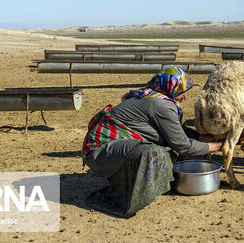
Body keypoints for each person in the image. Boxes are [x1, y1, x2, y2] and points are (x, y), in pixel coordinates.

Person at [81, 67, 222, 217]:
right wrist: (216, 146)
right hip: (100, 152)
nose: (185, 96)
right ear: (170, 88)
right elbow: (182, 145)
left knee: (163, 150)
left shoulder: (152, 97)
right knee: (150, 152)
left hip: (109, 150)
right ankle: (123, 192)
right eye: (182, 91)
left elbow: (177, 131)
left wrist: (201, 138)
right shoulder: (162, 105)